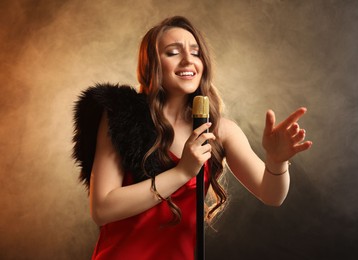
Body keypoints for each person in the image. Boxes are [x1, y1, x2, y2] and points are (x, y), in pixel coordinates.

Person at [72, 16, 312, 260]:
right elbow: (102, 208)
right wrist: (182, 172)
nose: (188, 60)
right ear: (151, 64)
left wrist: (277, 161)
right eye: (173, 52)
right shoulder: (120, 116)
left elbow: (272, 195)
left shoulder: (221, 130)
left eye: (196, 53)